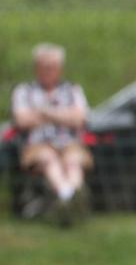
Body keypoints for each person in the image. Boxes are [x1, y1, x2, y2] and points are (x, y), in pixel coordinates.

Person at [11, 43, 92, 220]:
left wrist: (44, 112)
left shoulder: (72, 90)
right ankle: (69, 198)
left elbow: (80, 118)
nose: (48, 70)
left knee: (73, 161)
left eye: (52, 66)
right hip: (37, 145)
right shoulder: (24, 91)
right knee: (49, 159)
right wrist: (63, 115)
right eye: (44, 66)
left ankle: (68, 199)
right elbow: (22, 121)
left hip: (69, 144)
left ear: (59, 68)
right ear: (36, 67)